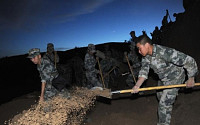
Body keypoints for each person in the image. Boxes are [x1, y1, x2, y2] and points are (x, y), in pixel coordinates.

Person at [132, 34, 198, 125]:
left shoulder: (164, 52)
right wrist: (137, 85)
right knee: (159, 95)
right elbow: (144, 72)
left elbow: (189, 60)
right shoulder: (146, 57)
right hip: (164, 79)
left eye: (139, 48)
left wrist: (191, 77)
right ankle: (170, 102)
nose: (138, 51)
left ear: (147, 45)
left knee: (163, 105)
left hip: (176, 77)